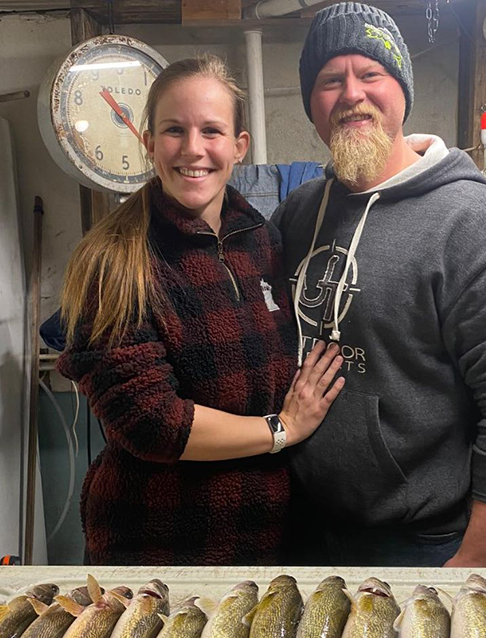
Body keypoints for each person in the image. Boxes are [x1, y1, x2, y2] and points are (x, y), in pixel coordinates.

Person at [272, 3, 486, 568]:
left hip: (421, 543)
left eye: (370, 74)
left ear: (401, 89)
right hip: (302, 525)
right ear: (312, 103)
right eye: (331, 79)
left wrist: (479, 555)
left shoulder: (471, 221)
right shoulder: (299, 213)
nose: (352, 93)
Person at [57, 55, 344, 566]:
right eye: (174, 130)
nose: (193, 149)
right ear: (148, 142)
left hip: (267, 537)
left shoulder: (262, 239)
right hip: (158, 543)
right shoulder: (115, 260)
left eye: (212, 131)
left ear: (239, 147)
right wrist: (283, 429)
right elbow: (151, 422)